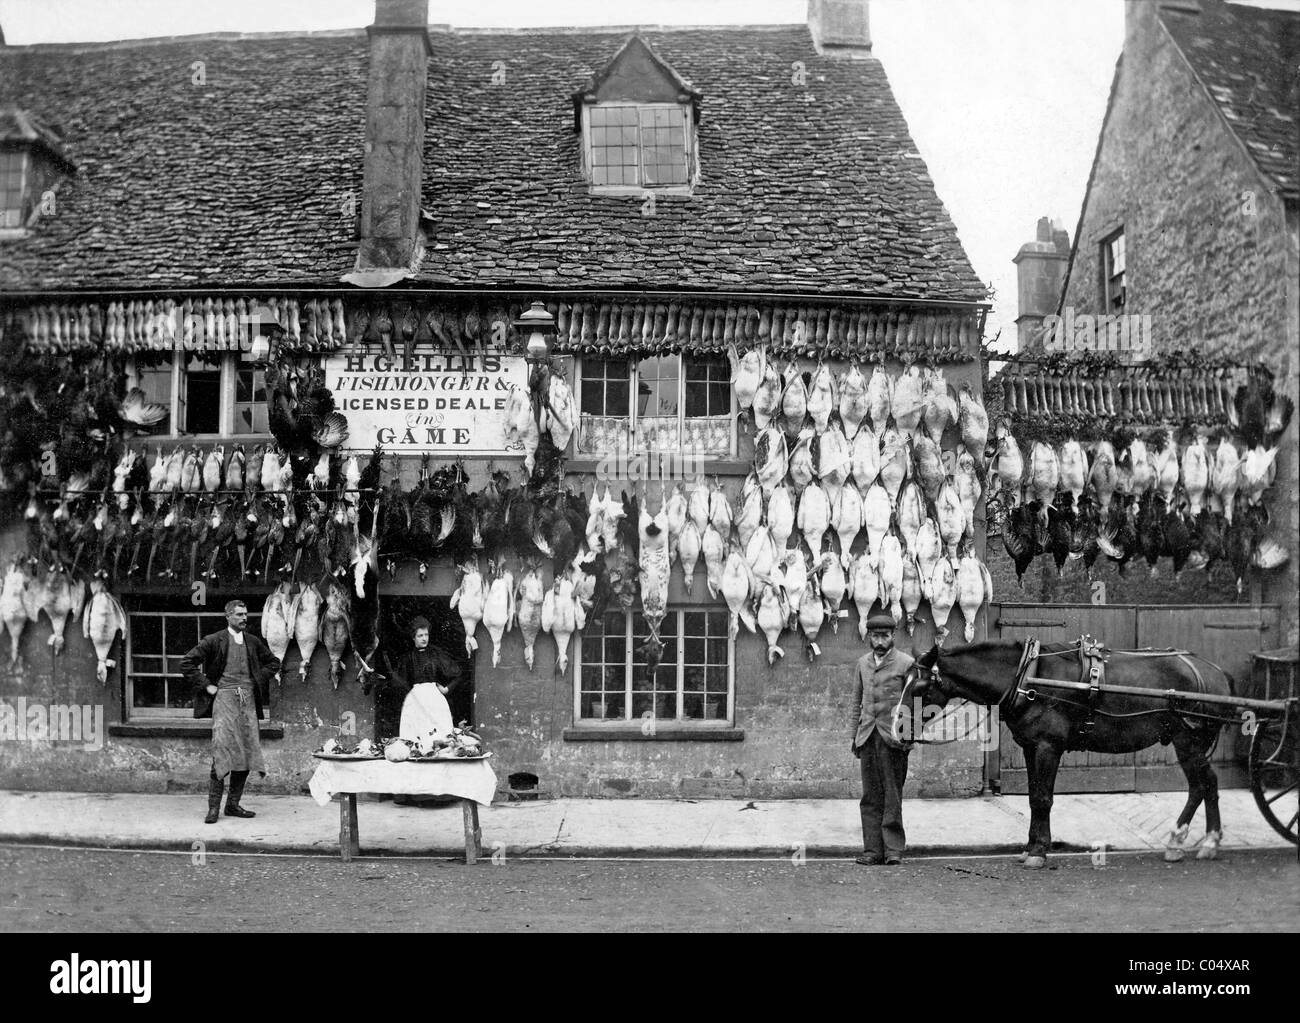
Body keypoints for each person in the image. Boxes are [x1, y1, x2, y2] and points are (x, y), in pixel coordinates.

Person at [181, 600, 282, 825]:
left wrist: (256, 680)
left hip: (247, 701)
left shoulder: (253, 641)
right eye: (239, 615)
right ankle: (213, 808)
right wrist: (207, 685)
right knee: (222, 751)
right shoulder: (213, 640)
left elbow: (274, 663)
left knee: (246, 752)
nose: (244, 618)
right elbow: (187, 663)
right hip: (224, 700)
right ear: (228, 616)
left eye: (245, 614)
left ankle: (233, 805)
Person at [850, 610, 915, 865]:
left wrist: (908, 737)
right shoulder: (862, 663)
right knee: (870, 797)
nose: (879, 641)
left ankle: (893, 850)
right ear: (869, 636)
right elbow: (856, 702)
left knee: (892, 795)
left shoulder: (906, 663)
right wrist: (854, 737)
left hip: (893, 739)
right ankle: (872, 851)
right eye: (875, 636)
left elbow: (915, 704)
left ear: (893, 636)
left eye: (884, 636)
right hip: (867, 736)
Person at [389, 616, 463, 739]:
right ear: (413, 637)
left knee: (439, 736)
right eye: (420, 636)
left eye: (426, 635)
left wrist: (446, 689)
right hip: (415, 700)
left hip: (435, 699)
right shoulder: (408, 658)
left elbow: (458, 674)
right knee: (415, 734)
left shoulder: (435, 654)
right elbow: (398, 682)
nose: (424, 638)